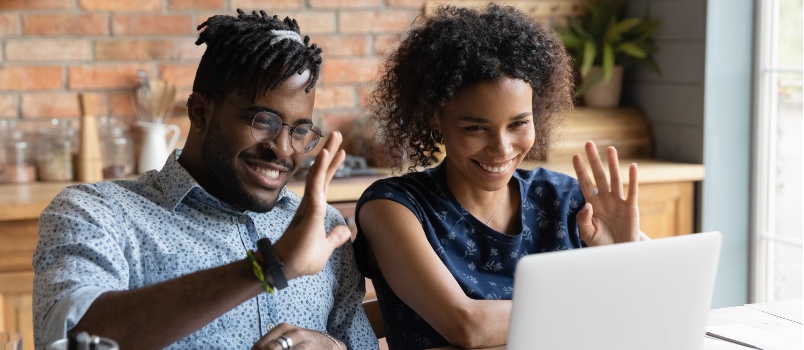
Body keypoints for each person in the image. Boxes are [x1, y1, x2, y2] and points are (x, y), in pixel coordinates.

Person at [33, 9, 378, 350]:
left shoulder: (323, 229)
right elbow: (70, 336)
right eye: (263, 121)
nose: (283, 150)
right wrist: (268, 267)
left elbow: (359, 343)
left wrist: (331, 346)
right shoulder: (97, 213)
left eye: (300, 131)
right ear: (200, 112)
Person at [353, 4, 647, 349]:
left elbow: (664, 302)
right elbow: (468, 326)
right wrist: (608, 297)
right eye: (476, 128)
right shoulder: (394, 208)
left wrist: (625, 258)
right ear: (435, 116)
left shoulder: (564, 198)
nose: (501, 148)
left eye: (518, 124)